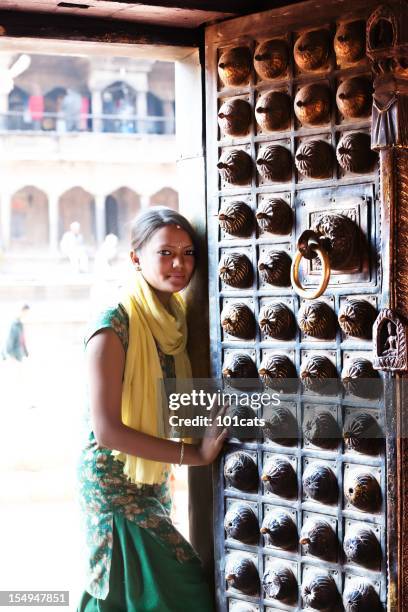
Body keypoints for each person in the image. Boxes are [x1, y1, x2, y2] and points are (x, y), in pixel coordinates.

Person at [77, 207, 227, 611]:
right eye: (165, 253)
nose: (179, 263)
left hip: (149, 479)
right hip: (113, 485)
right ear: (136, 258)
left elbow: (169, 406)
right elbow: (107, 430)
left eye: (188, 252)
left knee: (136, 594)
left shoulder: (174, 323)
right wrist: (193, 455)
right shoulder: (114, 327)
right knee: (180, 588)